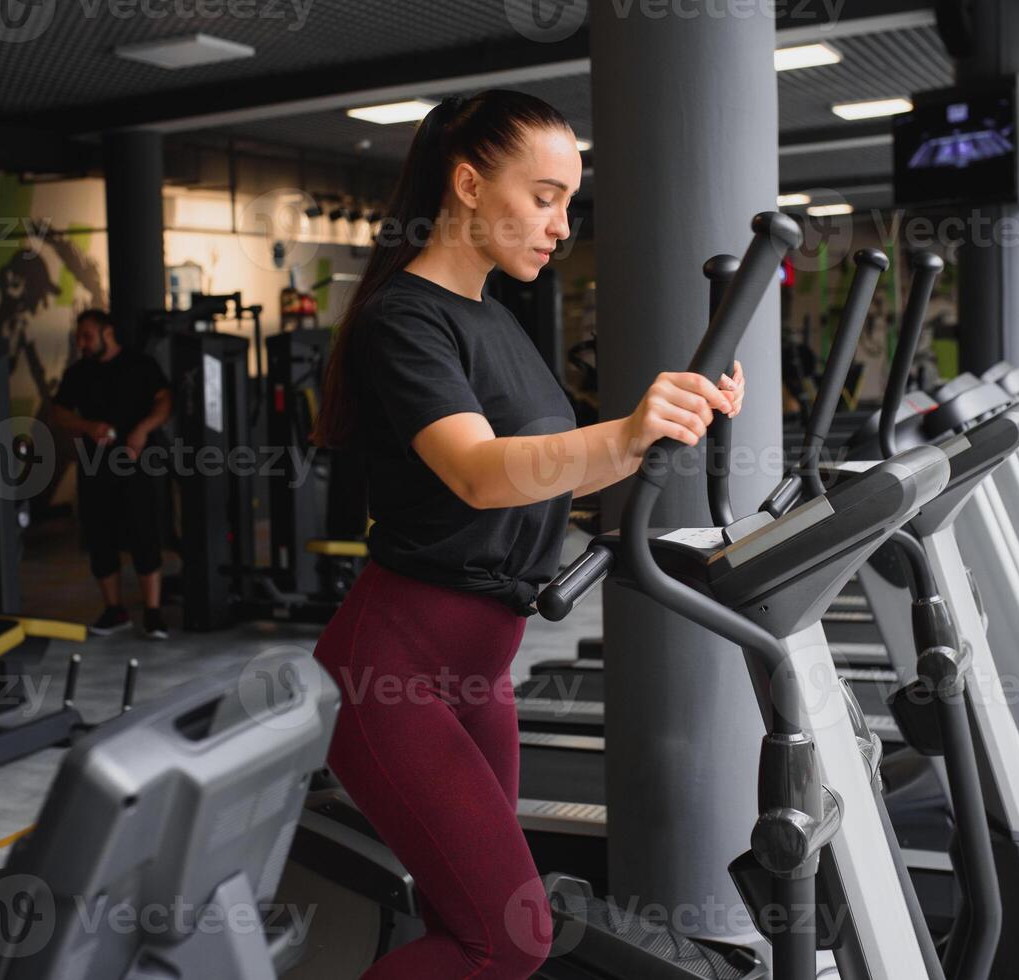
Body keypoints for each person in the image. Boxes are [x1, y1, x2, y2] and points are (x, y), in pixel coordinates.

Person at [310, 91, 744, 979]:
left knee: (474, 925)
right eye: (543, 196)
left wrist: (668, 423)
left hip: (480, 670)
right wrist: (627, 430)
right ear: (467, 183)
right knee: (508, 938)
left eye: (569, 204)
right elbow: (478, 470)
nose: (560, 225)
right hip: (395, 672)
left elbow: (549, 471)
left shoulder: (496, 317)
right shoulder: (407, 319)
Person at [51, 309, 174, 639]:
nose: (82, 343)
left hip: (137, 463)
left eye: (87, 336)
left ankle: (152, 613)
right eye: (79, 337)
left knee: (143, 533)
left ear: (108, 333)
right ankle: (114, 610)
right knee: (99, 536)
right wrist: (87, 426)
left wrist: (143, 430)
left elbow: (164, 401)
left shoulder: (140, 365)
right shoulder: (79, 373)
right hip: (95, 466)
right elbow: (59, 412)